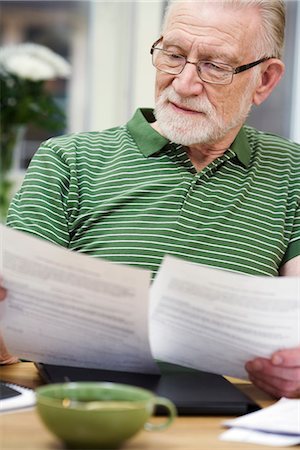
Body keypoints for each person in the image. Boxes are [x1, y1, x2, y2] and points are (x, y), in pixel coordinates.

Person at [1, 0, 299, 398]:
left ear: (264, 80)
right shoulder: (68, 160)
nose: (184, 84)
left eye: (215, 66)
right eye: (173, 55)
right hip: (88, 410)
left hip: (234, 421)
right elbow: (14, 325)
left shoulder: (292, 171)